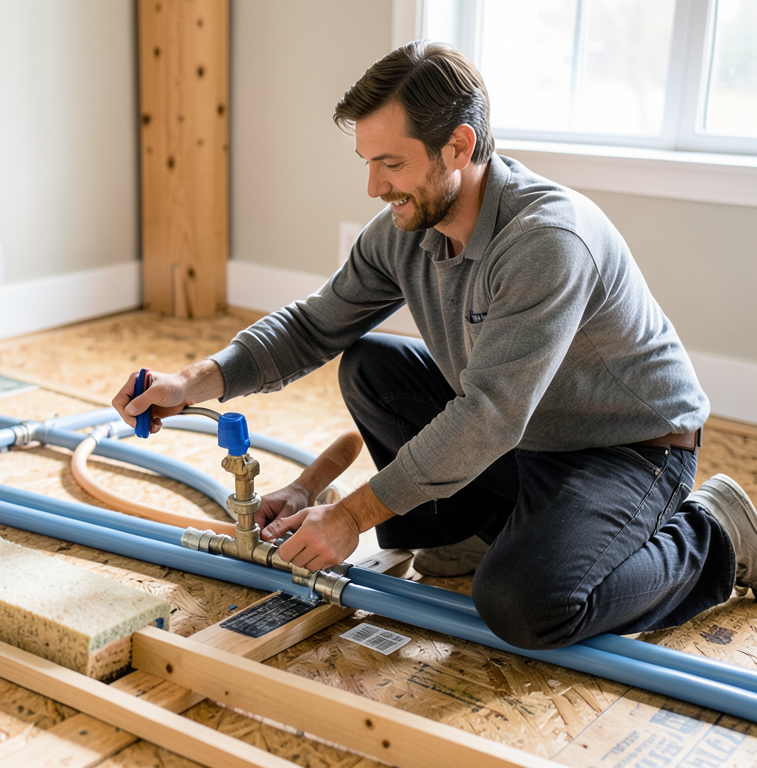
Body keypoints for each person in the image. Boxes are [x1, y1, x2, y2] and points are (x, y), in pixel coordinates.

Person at [112, 40, 757, 651]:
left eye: (391, 163)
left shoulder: (547, 241)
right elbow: (314, 326)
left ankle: (716, 534)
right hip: (524, 436)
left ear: (458, 146)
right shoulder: (405, 226)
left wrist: (349, 518)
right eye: (368, 162)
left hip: (622, 449)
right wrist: (192, 382)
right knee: (372, 366)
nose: (374, 186)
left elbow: (488, 416)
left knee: (526, 604)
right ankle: (474, 529)